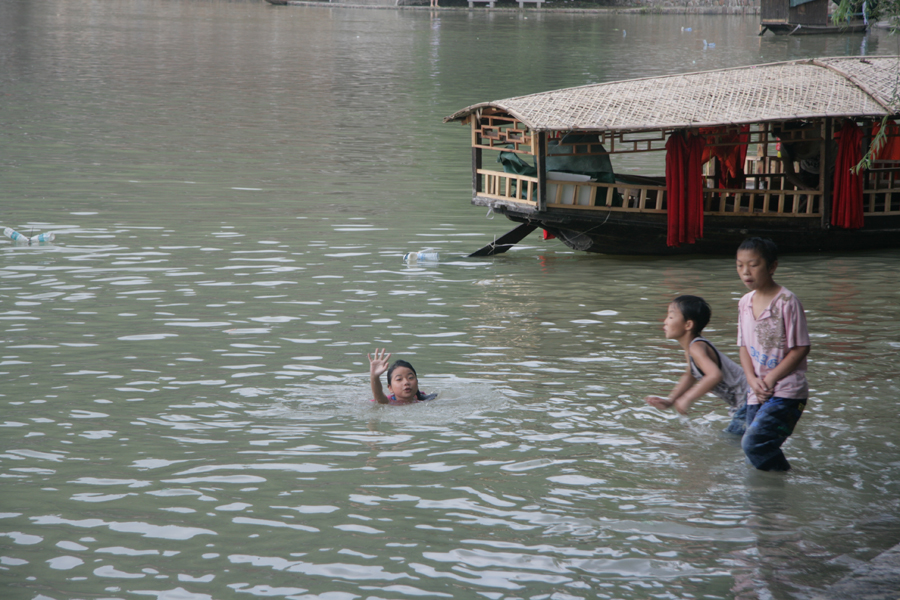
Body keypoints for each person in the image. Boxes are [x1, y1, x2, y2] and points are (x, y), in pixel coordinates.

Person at [736, 237, 810, 471]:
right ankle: (768, 502)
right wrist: (752, 380)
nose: (745, 272)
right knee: (753, 453)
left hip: (787, 390)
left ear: (772, 266)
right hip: (756, 390)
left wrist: (769, 379)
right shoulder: (744, 302)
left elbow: (801, 347)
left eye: (753, 264)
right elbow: (743, 346)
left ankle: (788, 482)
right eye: (739, 265)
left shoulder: (787, 301)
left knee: (753, 444)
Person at [645, 295, 748, 434]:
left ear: (688, 325)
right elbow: (690, 375)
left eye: (670, 317)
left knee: (732, 440)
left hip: (750, 398)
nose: (665, 321)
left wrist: (687, 398)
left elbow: (714, 375)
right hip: (744, 402)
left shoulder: (696, 348)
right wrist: (671, 400)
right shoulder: (691, 350)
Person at [368, 348, 436, 405]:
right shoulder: (389, 402)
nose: (406, 382)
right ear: (390, 388)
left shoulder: (426, 400)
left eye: (410, 378)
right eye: (399, 379)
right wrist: (375, 377)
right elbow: (379, 396)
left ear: (417, 382)